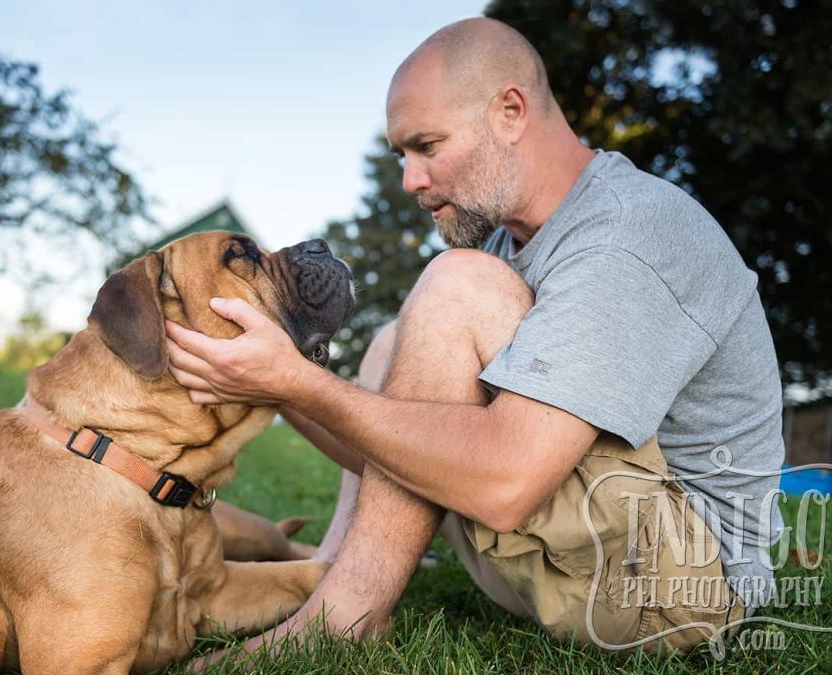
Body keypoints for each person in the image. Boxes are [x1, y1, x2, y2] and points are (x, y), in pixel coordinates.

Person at [166, 17, 784, 655]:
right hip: (585, 561)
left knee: (455, 287)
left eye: (426, 146)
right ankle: (331, 573)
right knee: (393, 342)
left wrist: (297, 382)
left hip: (681, 587)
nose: (410, 180)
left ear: (510, 111)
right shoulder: (503, 241)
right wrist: (279, 383)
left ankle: (345, 617)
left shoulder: (625, 236)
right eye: (401, 156)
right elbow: (399, 456)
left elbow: (504, 484)